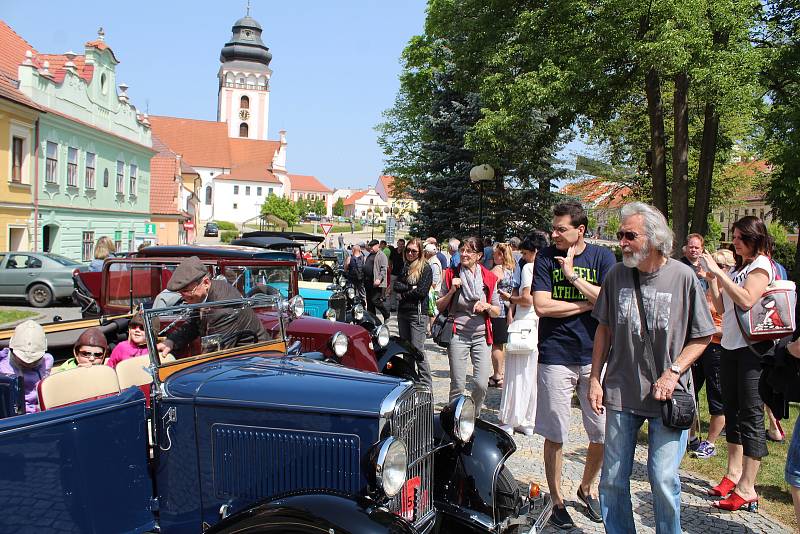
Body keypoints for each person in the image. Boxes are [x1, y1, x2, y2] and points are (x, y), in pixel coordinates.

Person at [589, 202, 715, 534]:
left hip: (669, 397)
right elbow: (604, 328)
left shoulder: (683, 276)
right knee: (613, 479)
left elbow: (703, 336)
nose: (622, 242)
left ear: (654, 237)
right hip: (621, 390)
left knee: (661, 478)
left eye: (629, 235)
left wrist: (673, 371)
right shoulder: (617, 275)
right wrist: (594, 378)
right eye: (620, 236)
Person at [532, 200, 616, 529]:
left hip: (594, 357)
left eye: (560, 229)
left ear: (580, 230)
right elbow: (541, 305)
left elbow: (609, 300)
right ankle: (556, 500)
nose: (554, 234)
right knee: (555, 432)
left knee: (602, 432)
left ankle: (586, 488)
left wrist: (572, 279)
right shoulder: (544, 257)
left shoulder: (602, 258)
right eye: (553, 228)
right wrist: (585, 303)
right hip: (555, 354)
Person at [701, 216, 776, 511]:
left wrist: (721, 277)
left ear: (754, 239)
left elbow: (746, 300)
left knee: (750, 415)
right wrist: (715, 280)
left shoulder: (760, 266)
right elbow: (722, 307)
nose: (734, 243)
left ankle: (747, 486)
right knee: (731, 411)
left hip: (752, 351)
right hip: (730, 345)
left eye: (739, 239)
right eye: (733, 238)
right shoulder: (740, 267)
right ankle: (733, 475)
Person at [436, 236, 501, 416]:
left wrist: (487, 306)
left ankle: (473, 416)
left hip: (481, 336)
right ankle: (452, 421)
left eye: (468, 251)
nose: (464, 254)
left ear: (479, 255)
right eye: (462, 250)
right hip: (458, 334)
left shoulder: (489, 277)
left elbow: (497, 310)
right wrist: (451, 291)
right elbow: (439, 306)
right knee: (457, 384)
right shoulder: (451, 274)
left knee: (481, 384)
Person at [156, 256, 269, 358]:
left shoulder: (222, 308)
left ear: (206, 282)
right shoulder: (206, 293)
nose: (183, 296)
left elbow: (214, 354)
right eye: (180, 292)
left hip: (253, 360)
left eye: (186, 291)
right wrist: (172, 341)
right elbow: (194, 323)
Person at [498, 232, 548, 435]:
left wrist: (510, 298)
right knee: (531, 375)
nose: (524, 257)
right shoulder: (548, 267)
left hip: (525, 321)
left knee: (516, 374)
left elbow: (527, 298)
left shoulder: (529, 267)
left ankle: (511, 419)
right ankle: (528, 419)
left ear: (534, 251)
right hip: (538, 323)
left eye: (526, 253)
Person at [687, 248, 733, 459]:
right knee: (690, 392)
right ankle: (691, 436)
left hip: (717, 348)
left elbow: (732, 328)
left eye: (720, 266)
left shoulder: (730, 293)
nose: (714, 269)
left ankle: (711, 442)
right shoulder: (707, 288)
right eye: (712, 264)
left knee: (716, 397)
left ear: (729, 269)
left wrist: (708, 329)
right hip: (699, 346)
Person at [393, 238, 433, 389]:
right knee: (406, 350)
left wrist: (405, 293)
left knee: (417, 350)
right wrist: (410, 287)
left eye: (413, 251)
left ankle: (426, 384)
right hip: (403, 312)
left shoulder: (425, 268)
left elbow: (421, 292)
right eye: (408, 250)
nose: (410, 253)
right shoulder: (406, 266)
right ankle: (409, 380)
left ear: (420, 252)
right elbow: (396, 285)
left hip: (417, 314)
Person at [0, 320, 53, 413]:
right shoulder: (4, 367)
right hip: (18, 412)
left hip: (44, 408)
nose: (29, 363)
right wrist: (34, 409)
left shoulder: (47, 361)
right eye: (22, 359)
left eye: (35, 360)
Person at [488, 243, 515, 389]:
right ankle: (499, 373)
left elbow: (489, 286)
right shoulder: (511, 269)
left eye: (496, 254)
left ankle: (498, 374)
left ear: (501, 255)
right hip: (508, 309)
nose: (493, 256)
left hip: (497, 311)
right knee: (501, 344)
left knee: (496, 344)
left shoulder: (497, 270)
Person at [363, 240, 389, 322]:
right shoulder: (371, 254)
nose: (371, 247)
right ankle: (372, 319)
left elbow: (384, 269)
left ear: (378, 245)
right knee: (369, 302)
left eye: (372, 246)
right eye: (370, 246)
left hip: (376, 282)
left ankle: (386, 313)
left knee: (375, 300)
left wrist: (379, 279)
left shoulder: (381, 255)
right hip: (368, 281)